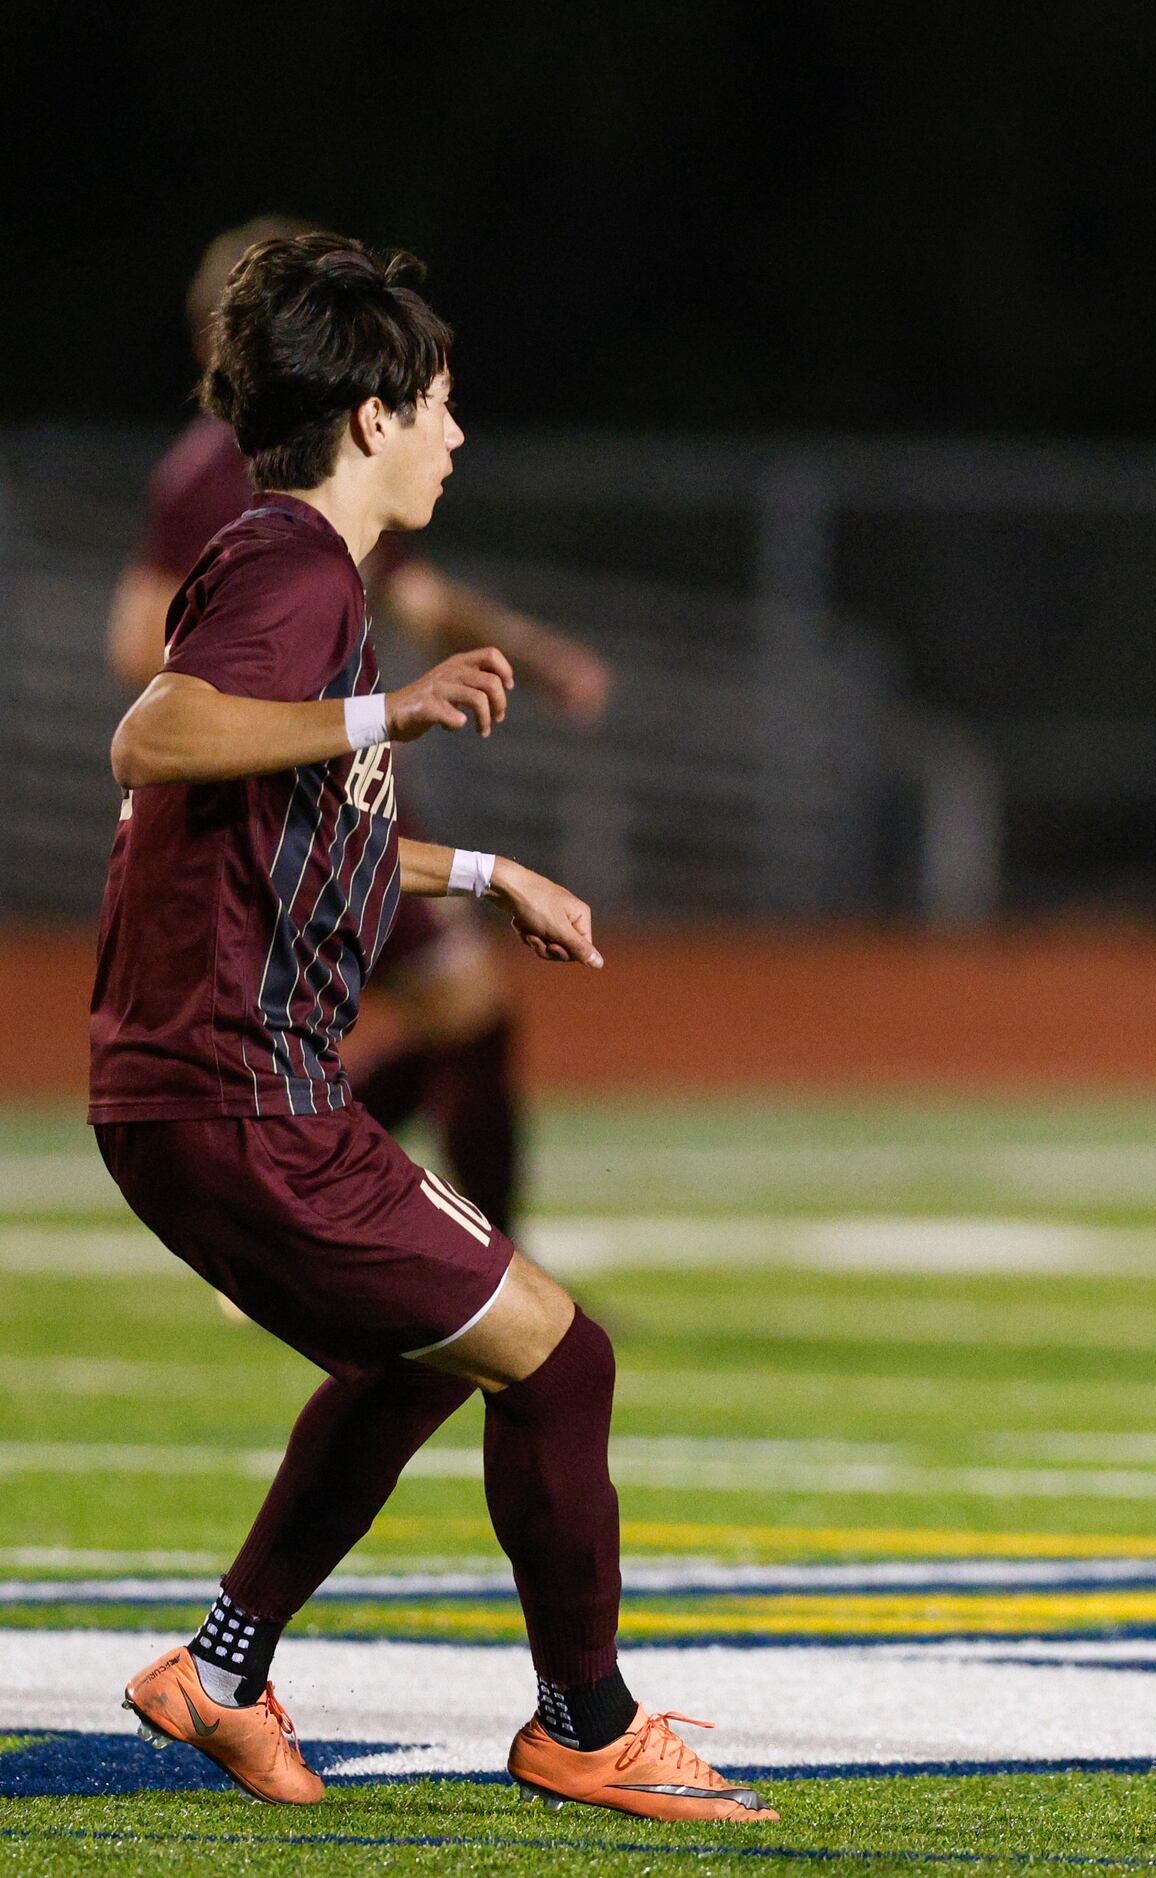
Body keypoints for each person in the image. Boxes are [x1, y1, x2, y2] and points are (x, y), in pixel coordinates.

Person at [95, 233, 773, 1823]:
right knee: (564, 1358)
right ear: (373, 418)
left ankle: (221, 1667)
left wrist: (484, 867)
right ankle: (586, 1726)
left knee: (426, 1355)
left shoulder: (279, 563)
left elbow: (277, 817)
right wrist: (388, 710)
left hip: (193, 1091)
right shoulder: (293, 568)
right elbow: (155, 735)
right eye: (443, 406)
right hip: (239, 1093)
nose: (459, 438)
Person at [105, 216, 615, 1236]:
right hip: (285, 796)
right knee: (449, 1015)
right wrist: (319, 703)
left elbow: (415, 597)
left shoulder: (332, 490)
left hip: (334, 789)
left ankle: (325, 1218)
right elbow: (147, 685)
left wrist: (533, 653)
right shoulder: (246, 502)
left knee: (447, 1014)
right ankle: (361, 1227)